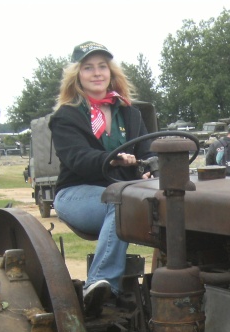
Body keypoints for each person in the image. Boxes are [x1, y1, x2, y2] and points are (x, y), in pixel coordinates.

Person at [50, 41, 154, 317]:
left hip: (122, 192)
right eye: (88, 68)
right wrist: (113, 159)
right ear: (77, 75)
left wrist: (148, 169)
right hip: (77, 192)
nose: (96, 73)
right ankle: (99, 283)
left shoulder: (129, 113)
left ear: (110, 72)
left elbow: (147, 152)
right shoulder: (67, 116)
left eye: (102, 67)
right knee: (119, 203)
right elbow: (78, 159)